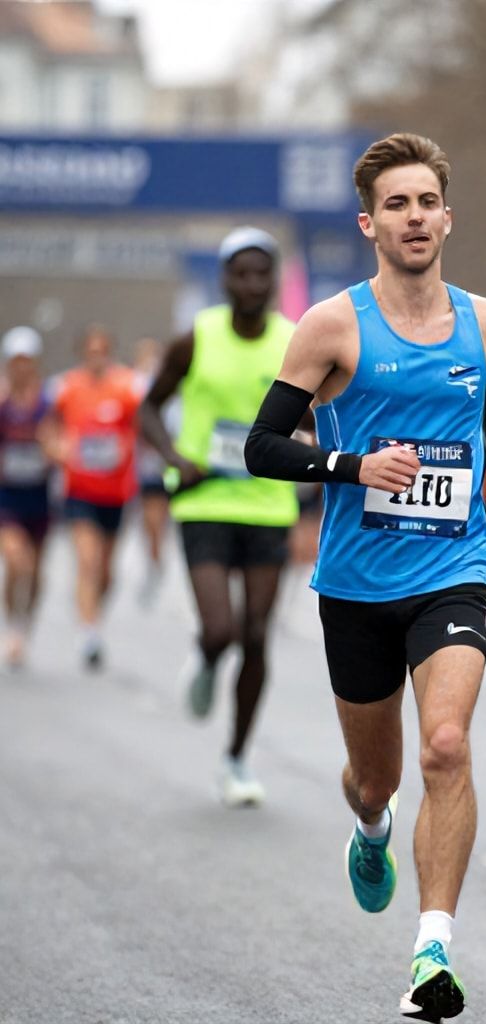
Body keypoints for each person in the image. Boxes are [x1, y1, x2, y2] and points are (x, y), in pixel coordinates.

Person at [242, 132, 486, 1022]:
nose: (414, 218)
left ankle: (431, 949)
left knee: (447, 745)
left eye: (426, 203)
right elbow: (262, 447)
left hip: (453, 569)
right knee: (378, 778)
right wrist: (350, 467)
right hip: (357, 583)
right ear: (371, 223)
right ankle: (371, 828)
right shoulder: (332, 325)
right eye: (395, 205)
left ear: (449, 216)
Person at [138, 227, 299, 807]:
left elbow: (320, 417)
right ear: (225, 278)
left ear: (275, 280)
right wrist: (178, 457)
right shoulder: (195, 339)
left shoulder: (294, 341)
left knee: (256, 636)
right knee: (221, 628)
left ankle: (235, 758)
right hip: (204, 502)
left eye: (263, 273)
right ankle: (206, 657)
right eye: (242, 273)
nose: (253, 283)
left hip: (267, 506)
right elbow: (148, 409)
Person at [48, 325, 141, 671]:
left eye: (103, 350)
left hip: (116, 493)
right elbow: (49, 425)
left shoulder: (126, 388)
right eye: (91, 351)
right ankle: (89, 634)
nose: (97, 357)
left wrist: (132, 448)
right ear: (82, 354)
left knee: (105, 571)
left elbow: (143, 425)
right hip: (79, 490)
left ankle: (94, 615)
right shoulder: (66, 388)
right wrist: (55, 446)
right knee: (86, 562)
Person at [0, 326, 51, 669]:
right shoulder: (2, 403)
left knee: (35, 573)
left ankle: (25, 625)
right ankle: (11, 627)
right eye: (15, 361)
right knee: (18, 561)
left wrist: (55, 449)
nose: (21, 367)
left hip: (39, 496)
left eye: (27, 361)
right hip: (7, 497)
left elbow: (61, 441)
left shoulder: (47, 403)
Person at [131, 337, 172, 606]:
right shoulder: (133, 385)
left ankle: (156, 559)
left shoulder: (171, 386)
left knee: (159, 520)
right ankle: (154, 558)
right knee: (149, 521)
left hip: (166, 464)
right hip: (143, 465)